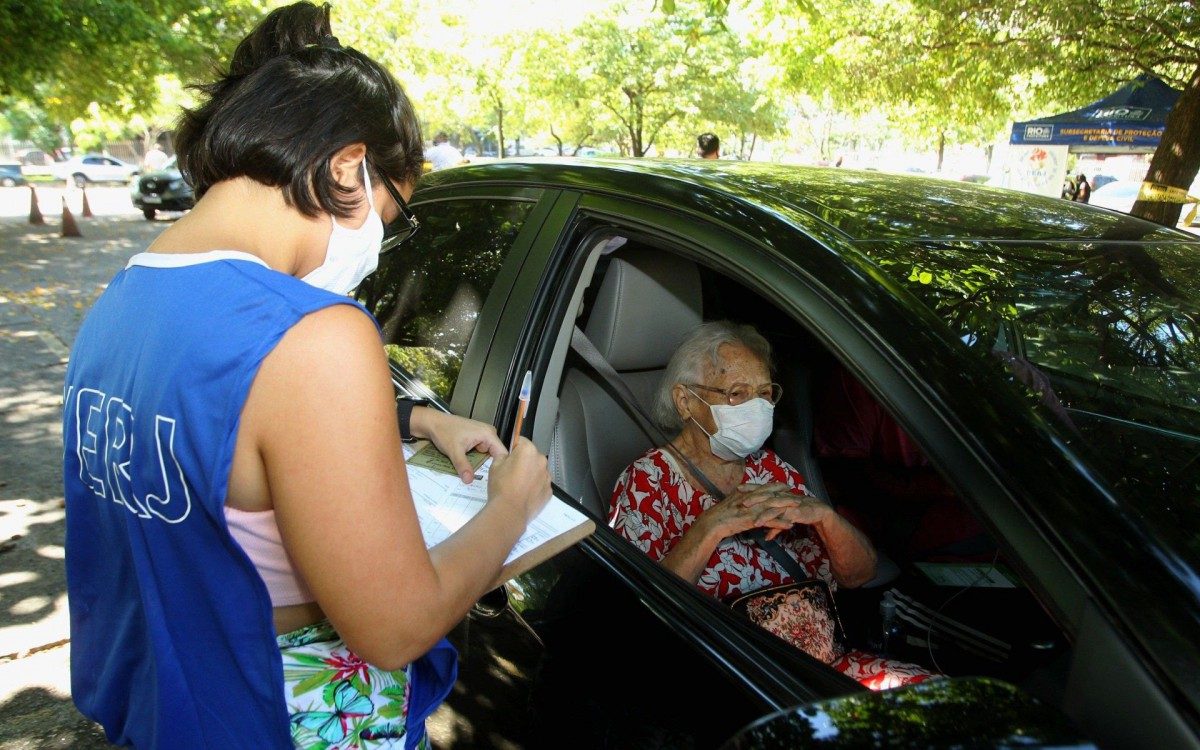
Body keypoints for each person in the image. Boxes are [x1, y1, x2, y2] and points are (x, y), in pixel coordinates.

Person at [60, 3, 551, 748]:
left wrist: (416, 417)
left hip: (171, 703)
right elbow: (395, 628)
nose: (383, 243)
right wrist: (510, 509)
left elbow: (223, 422)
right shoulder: (317, 333)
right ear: (347, 165)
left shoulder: (122, 299)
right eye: (394, 215)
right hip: (279, 712)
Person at [610, 321, 933, 690]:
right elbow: (640, 611)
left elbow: (858, 575)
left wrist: (827, 519)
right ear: (686, 402)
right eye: (736, 394)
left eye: (764, 393)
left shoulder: (771, 468)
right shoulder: (646, 482)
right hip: (744, 681)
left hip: (823, 665)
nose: (756, 408)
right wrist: (712, 525)